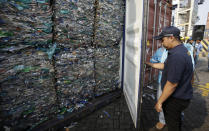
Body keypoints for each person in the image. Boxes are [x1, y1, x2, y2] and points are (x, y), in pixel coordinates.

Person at [146, 26, 193, 131]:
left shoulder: (177, 56)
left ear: (171, 38)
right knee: (176, 120)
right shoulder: (181, 50)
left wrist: (160, 102)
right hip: (182, 95)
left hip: (175, 99)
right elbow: (166, 66)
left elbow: (172, 84)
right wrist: (149, 64)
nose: (162, 43)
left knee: (173, 125)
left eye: (163, 40)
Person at [149, 47, 168, 131]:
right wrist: (153, 62)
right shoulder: (160, 50)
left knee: (174, 102)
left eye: (163, 40)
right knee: (161, 100)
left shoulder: (183, 50)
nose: (162, 43)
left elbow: (191, 68)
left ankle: (177, 117)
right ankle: (162, 120)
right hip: (162, 81)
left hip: (175, 82)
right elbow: (153, 60)